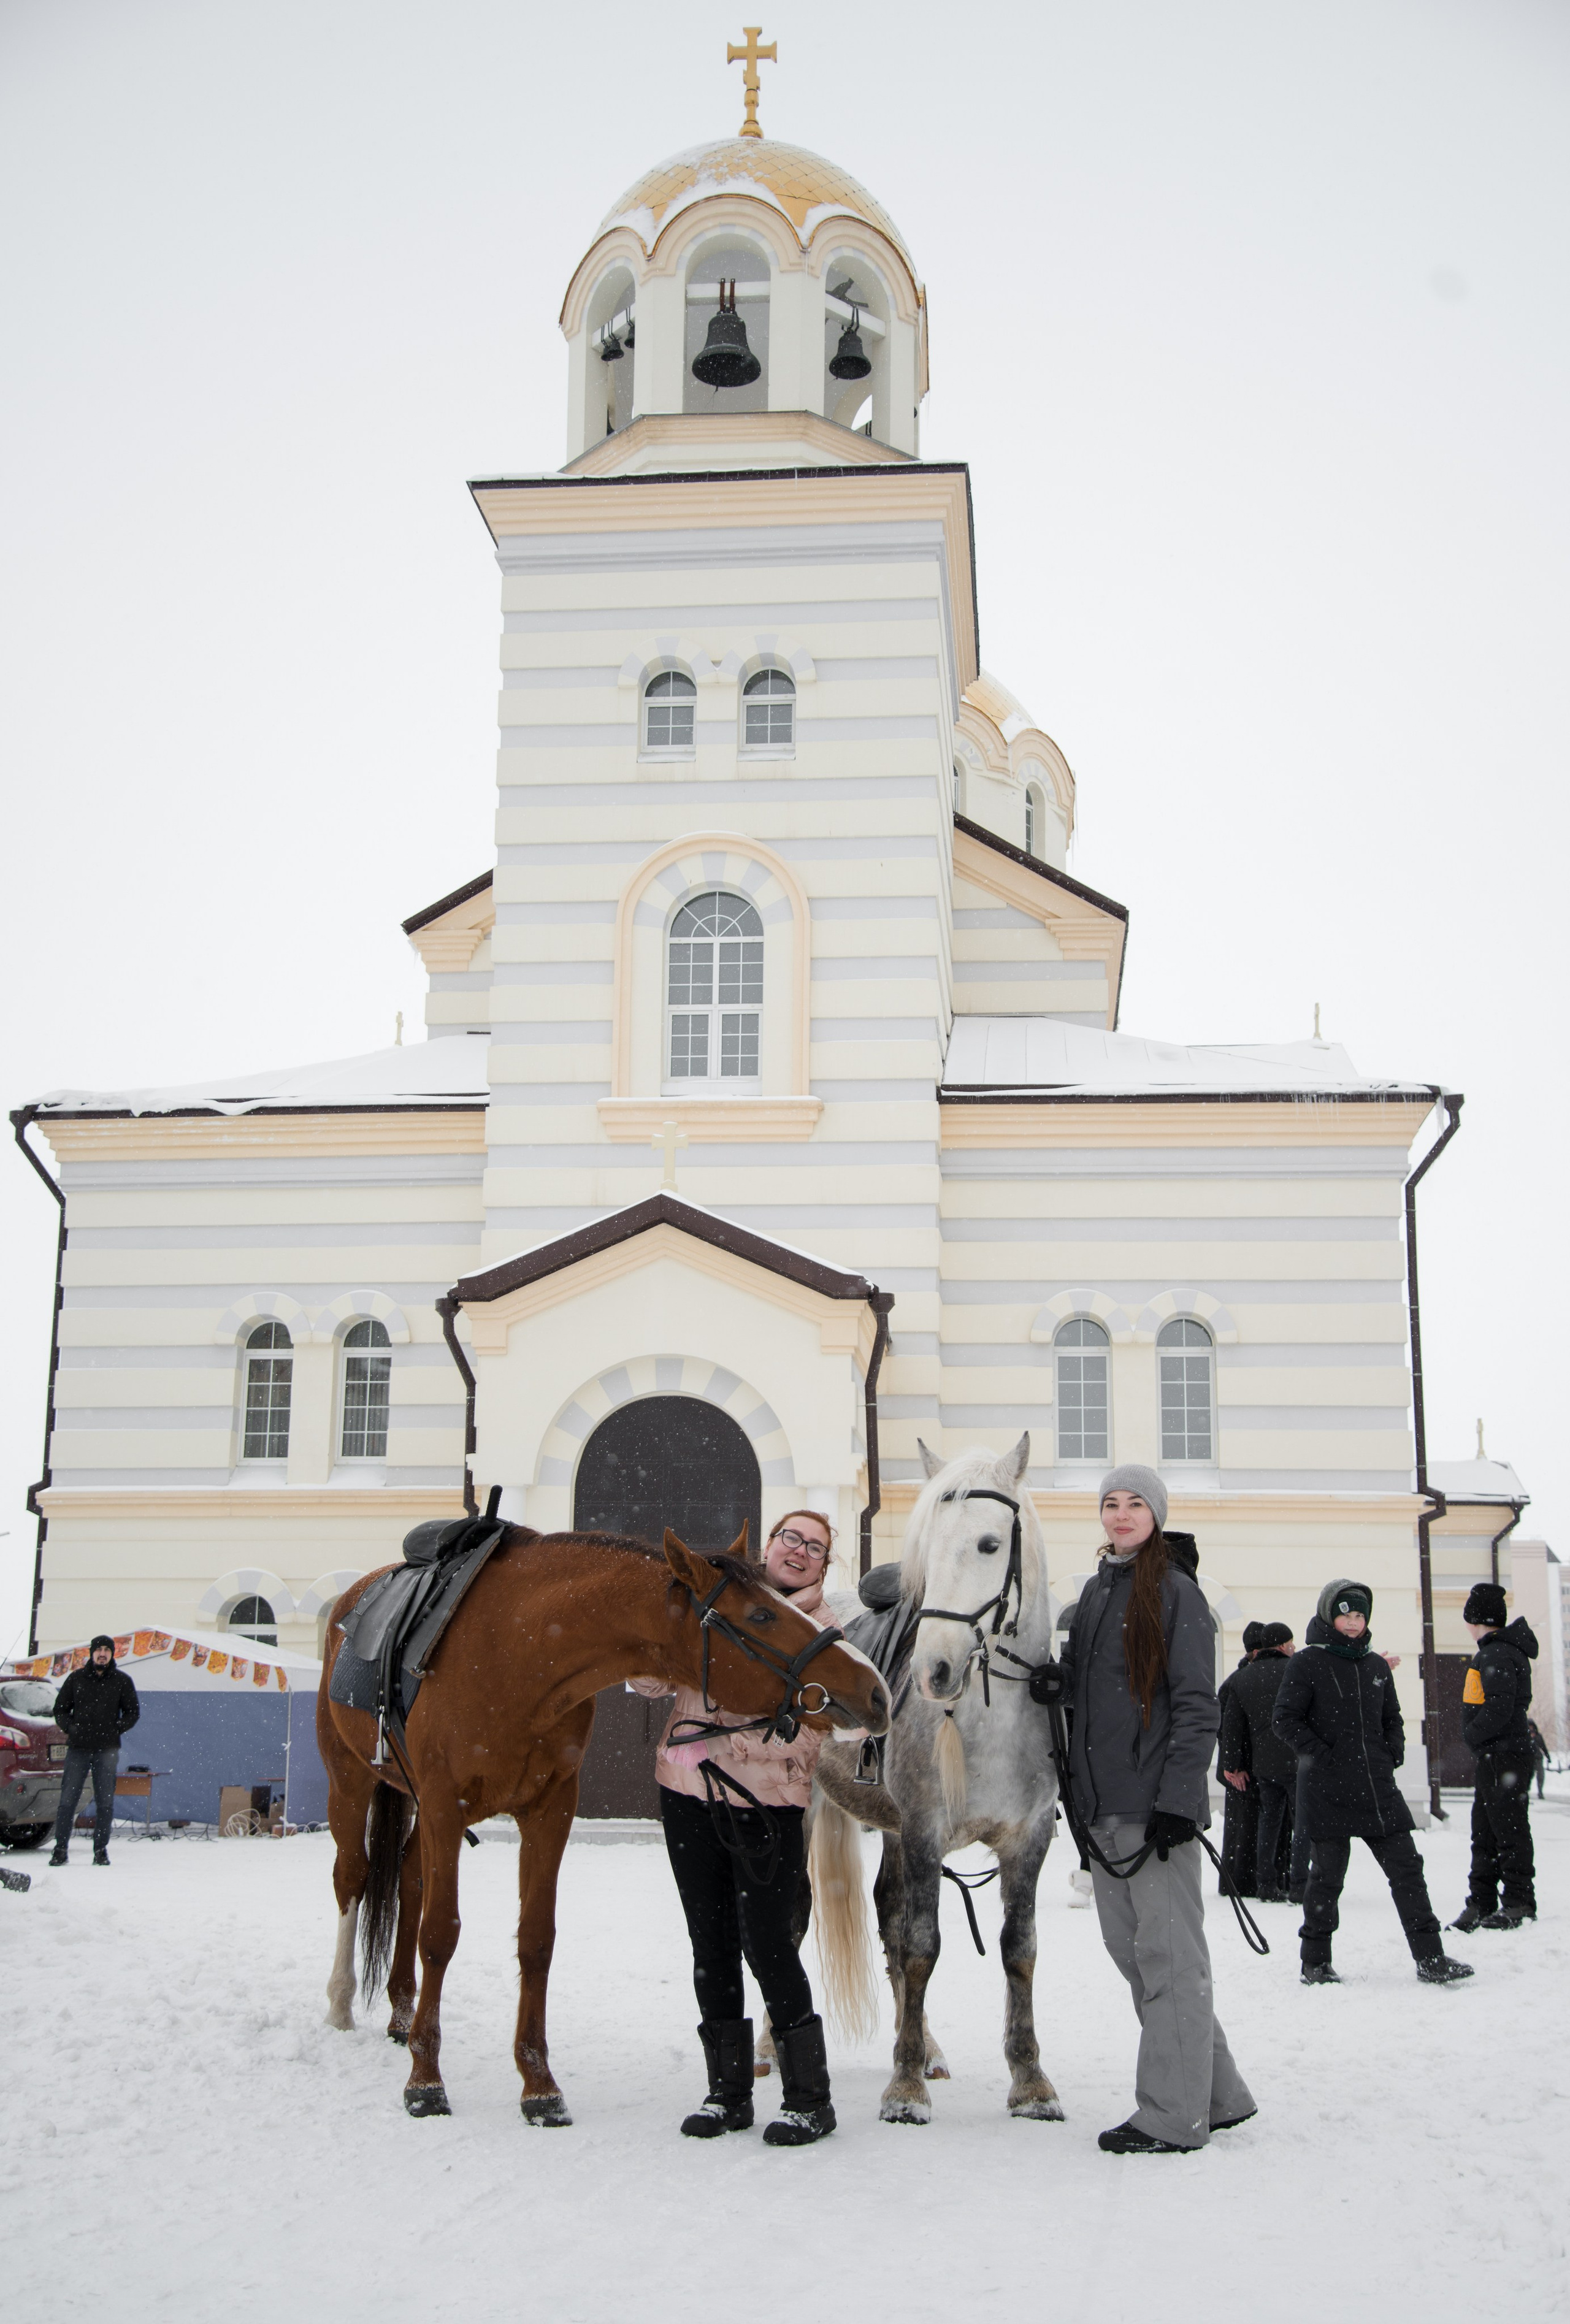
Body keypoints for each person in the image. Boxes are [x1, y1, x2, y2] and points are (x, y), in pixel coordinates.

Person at [1057, 1466, 1255, 2153]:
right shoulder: (1090, 1594)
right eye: (1110, 1503)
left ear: (1157, 1514)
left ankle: (1173, 2116)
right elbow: (1089, 1704)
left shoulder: (1176, 1593)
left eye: (1134, 1503)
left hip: (1154, 1811)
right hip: (1102, 1807)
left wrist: (1179, 1799)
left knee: (1169, 1958)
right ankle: (1218, 2092)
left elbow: (1197, 1706)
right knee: (1135, 1956)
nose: (1119, 1514)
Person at [630, 1510, 841, 2147]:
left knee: (769, 1944)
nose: (798, 1551)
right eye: (789, 1537)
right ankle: (727, 2093)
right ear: (769, 1545)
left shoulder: (825, 1633)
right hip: (687, 1795)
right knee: (710, 1942)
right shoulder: (716, 1603)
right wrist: (653, 1637)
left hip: (767, 1805)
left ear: (824, 1566)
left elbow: (820, 1727)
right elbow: (646, 1680)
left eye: (814, 1547)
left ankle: (810, 2099)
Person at [1273, 1581, 1471, 1985]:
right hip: (1328, 1789)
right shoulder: (1308, 1662)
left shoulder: (1375, 1666)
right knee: (1326, 1880)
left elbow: (1392, 1717)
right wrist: (1324, 1756)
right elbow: (1285, 1720)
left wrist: (1392, 1752)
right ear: (1331, 1616)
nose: (1353, 1622)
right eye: (1346, 1614)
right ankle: (1315, 1962)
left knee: (1408, 1870)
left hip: (1377, 1788)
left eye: (1360, 1615)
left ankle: (1430, 1958)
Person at [1449, 1583, 1538, 1932]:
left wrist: (1470, 1735)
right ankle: (1481, 1901)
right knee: (1484, 1830)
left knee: (1509, 1829)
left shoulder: (1498, 1653)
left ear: (1476, 1619)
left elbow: (1500, 1708)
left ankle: (1518, 1901)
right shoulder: (1492, 1652)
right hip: (1494, 1756)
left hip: (1505, 1756)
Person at [1221, 1622, 1296, 1901]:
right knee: (1297, 1824)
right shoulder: (1294, 1670)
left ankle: (1264, 1882)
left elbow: (1230, 1728)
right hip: (1292, 1761)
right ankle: (1295, 1882)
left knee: (1265, 1825)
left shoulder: (1242, 1678)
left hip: (1259, 1768)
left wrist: (1232, 1765)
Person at [49, 1635, 139, 1866]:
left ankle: (100, 1850)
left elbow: (133, 1713)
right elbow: (60, 1709)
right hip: (78, 1748)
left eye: (107, 1650)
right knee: (68, 1800)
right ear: (91, 1653)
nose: (102, 1654)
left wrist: (115, 1728)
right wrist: (71, 1728)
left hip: (107, 1750)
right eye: (98, 1649)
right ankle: (60, 1849)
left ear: (112, 1654)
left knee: (105, 1802)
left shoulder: (122, 1681)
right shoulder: (76, 1679)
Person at [1216, 1623, 1266, 1898]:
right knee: (1245, 1828)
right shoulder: (1240, 1683)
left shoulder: (1237, 1680)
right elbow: (1227, 1728)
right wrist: (1235, 1765)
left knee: (1242, 1827)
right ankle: (1243, 1882)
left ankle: (1238, 1881)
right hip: (1245, 1768)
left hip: (1243, 1767)